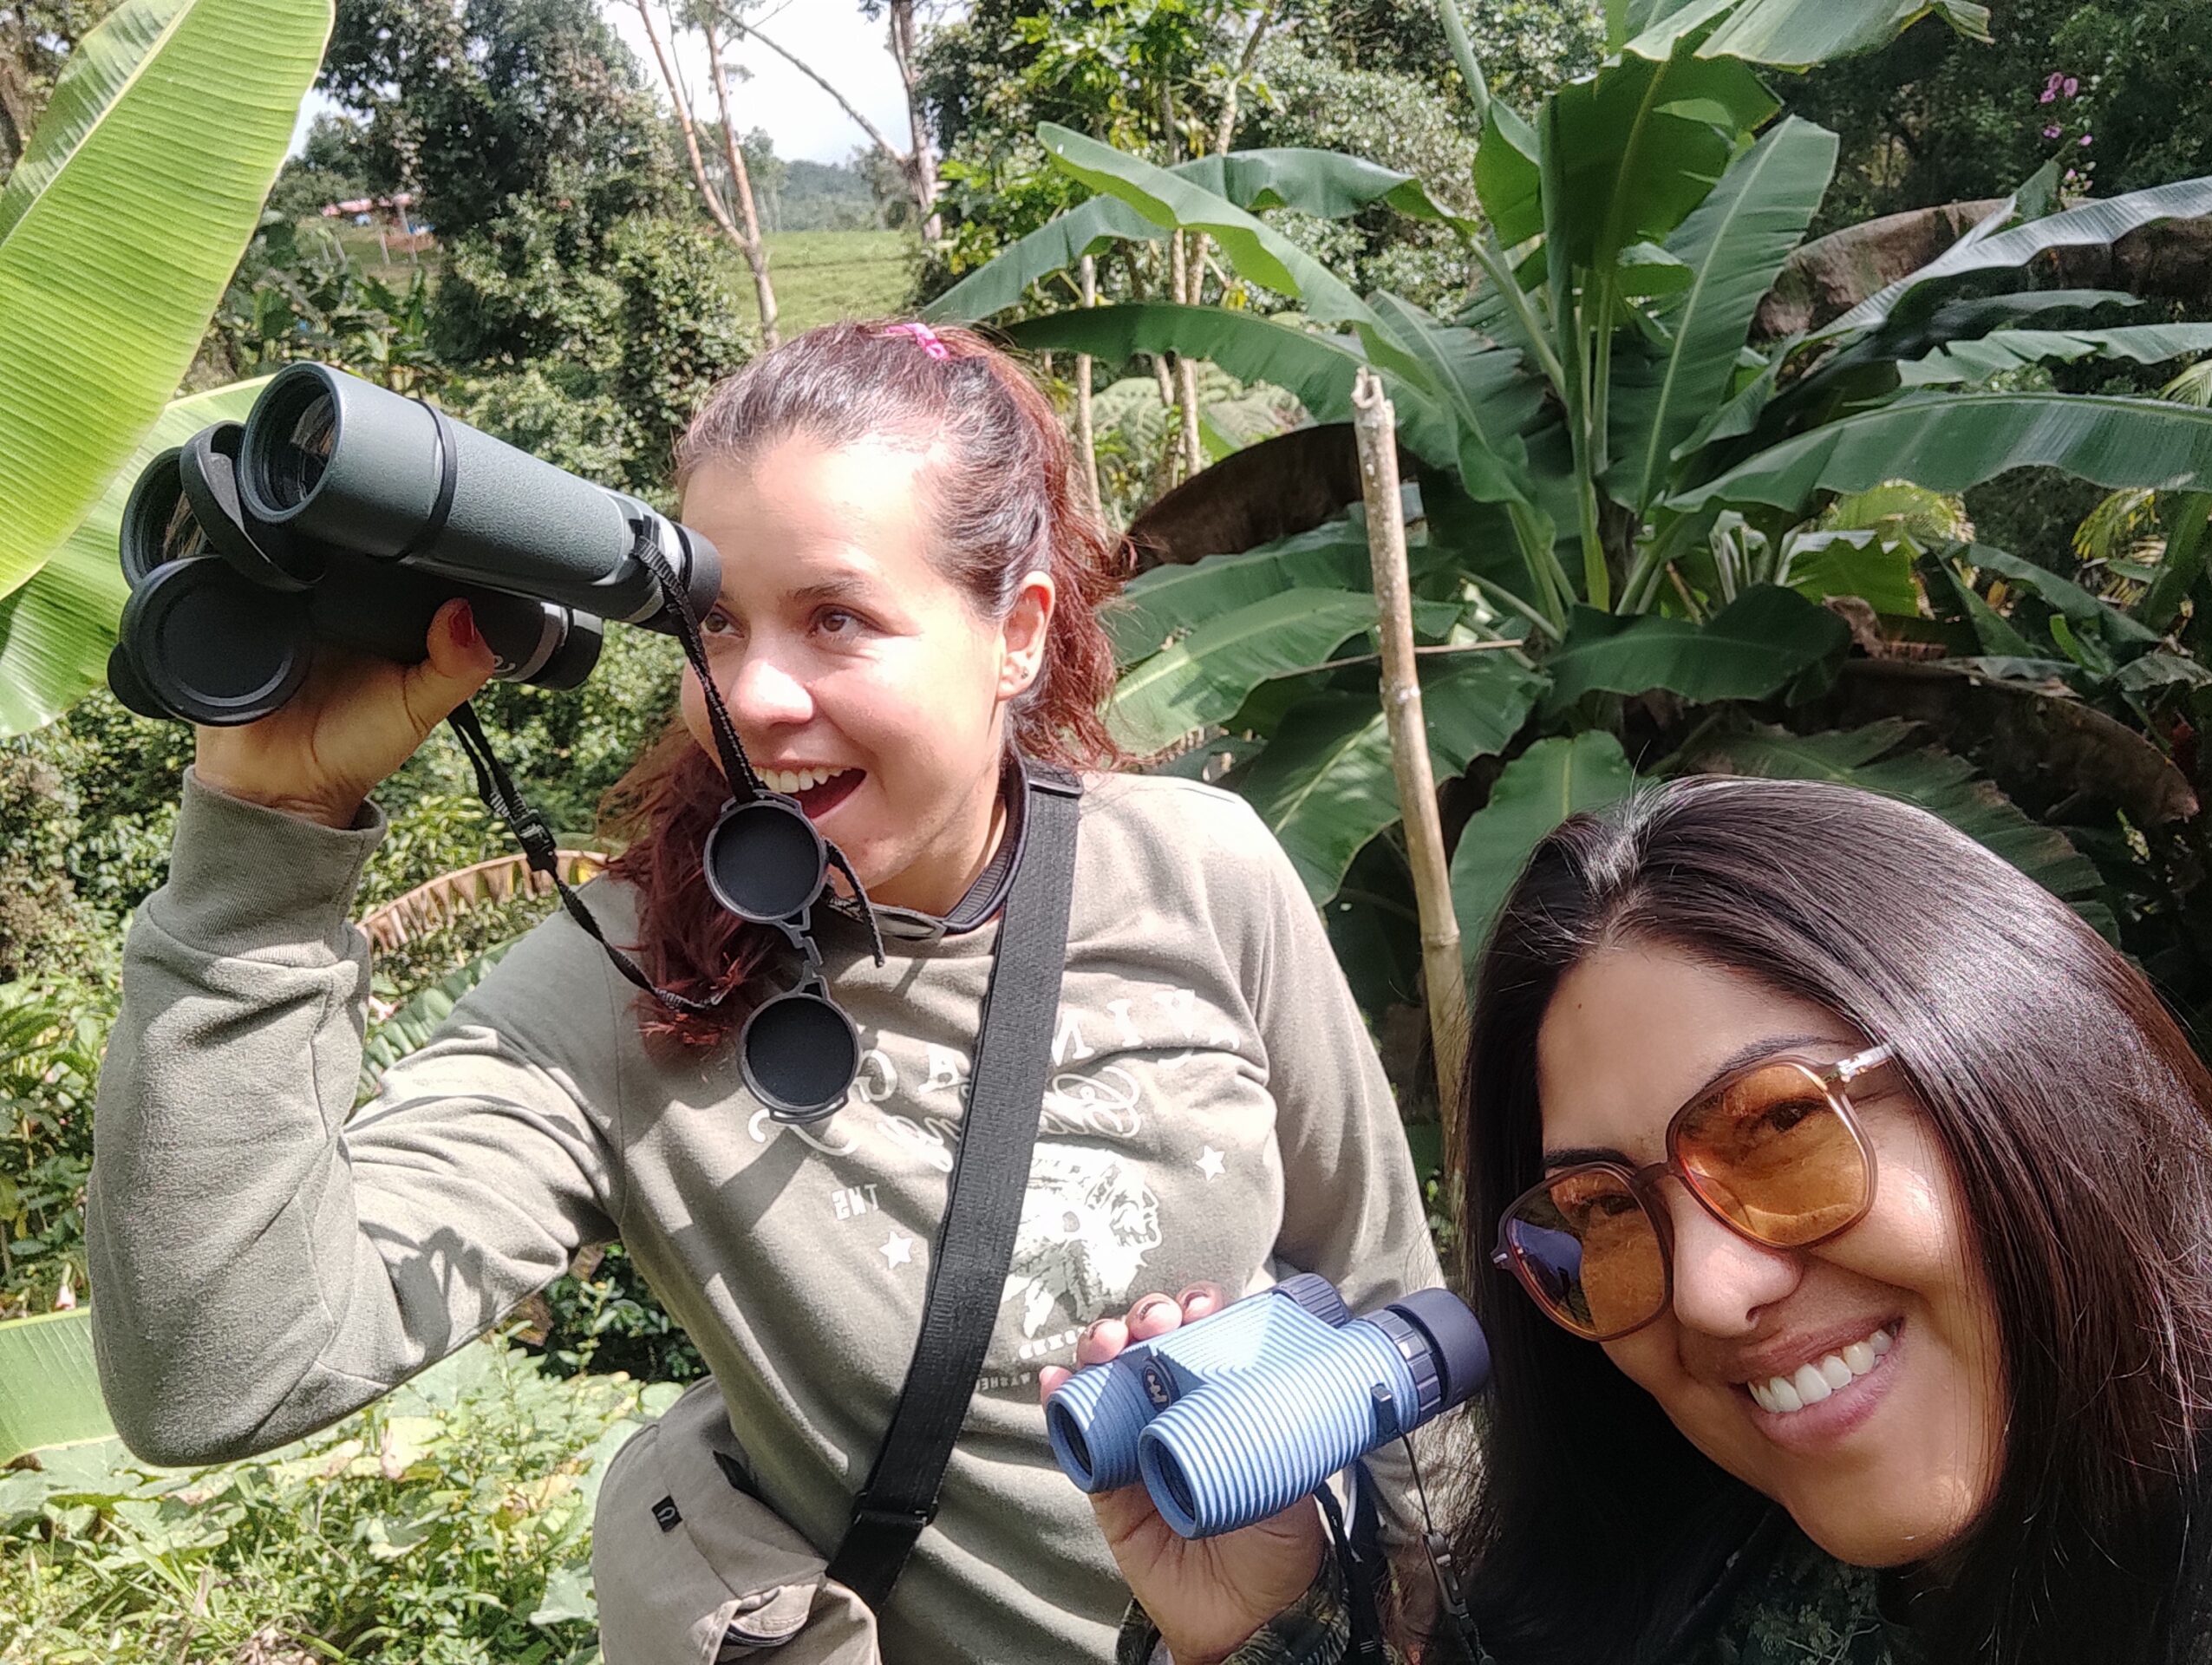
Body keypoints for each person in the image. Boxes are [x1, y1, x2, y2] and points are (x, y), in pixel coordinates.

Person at [86, 321, 1444, 1662]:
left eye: (837, 618)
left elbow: (1386, 1295)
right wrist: (266, 838)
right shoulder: (628, 973)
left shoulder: (1194, 870)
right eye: (714, 624)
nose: (752, 696)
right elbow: (222, 1370)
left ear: (1016, 633)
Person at [1073, 776, 2212, 1665]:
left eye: (1778, 1129)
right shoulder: (1700, 1564)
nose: (1712, 1291)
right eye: (1598, 1220)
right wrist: (1259, 1627)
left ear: (2015, 1065)